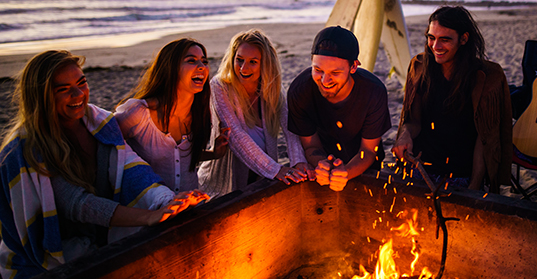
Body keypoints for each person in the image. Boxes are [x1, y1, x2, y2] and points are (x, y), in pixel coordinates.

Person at [0, 50, 207, 279]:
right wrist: (147, 217)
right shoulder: (23, 152)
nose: (78, 94)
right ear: (41, 96)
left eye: (82, 83)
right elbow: (77, 203)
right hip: (46, 258)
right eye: (63, 89)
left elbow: (133, 168)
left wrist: (166, 200)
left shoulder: (101, 124)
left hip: (98, 241)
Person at [392, 6, 512, 193]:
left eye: (445, 40)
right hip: (420, 170)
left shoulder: (487, 76)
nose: (436, 46)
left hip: (462, 176)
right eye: (431, 38)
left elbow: (485, 137)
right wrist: (405, 134)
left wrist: (474, 185)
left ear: (464, 39)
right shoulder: (419, 67)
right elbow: (413, 121)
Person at [197, 29, 311, 197]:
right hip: (220, 190)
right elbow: (236, 135)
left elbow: (291, 129)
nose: (243, 68)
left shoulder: (273, 91)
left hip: (260, 183)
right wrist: (275, 169)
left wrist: (298, 162)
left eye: (253, 62)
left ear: (265, 64)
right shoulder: (220, 87)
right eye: (239, 60)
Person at [287, 26, 392, 192]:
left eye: (335, 72)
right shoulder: (300, 91)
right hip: (321, 169)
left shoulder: (373, 91)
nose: (324, 80)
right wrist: (323, 164)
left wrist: (346, 173)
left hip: (364, 165)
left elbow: (368, 151)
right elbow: (310, 146)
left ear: (353, 67)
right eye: (318, 70)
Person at [115, 38, 226, 194]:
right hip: (151, 211)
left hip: (191, 208)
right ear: (171, 68)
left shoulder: (199, 113)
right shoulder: (138, 113)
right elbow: (105, 146)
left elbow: (180, 159)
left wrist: (214, 153)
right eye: (191, 61)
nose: (202, 67)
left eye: (204, 61)